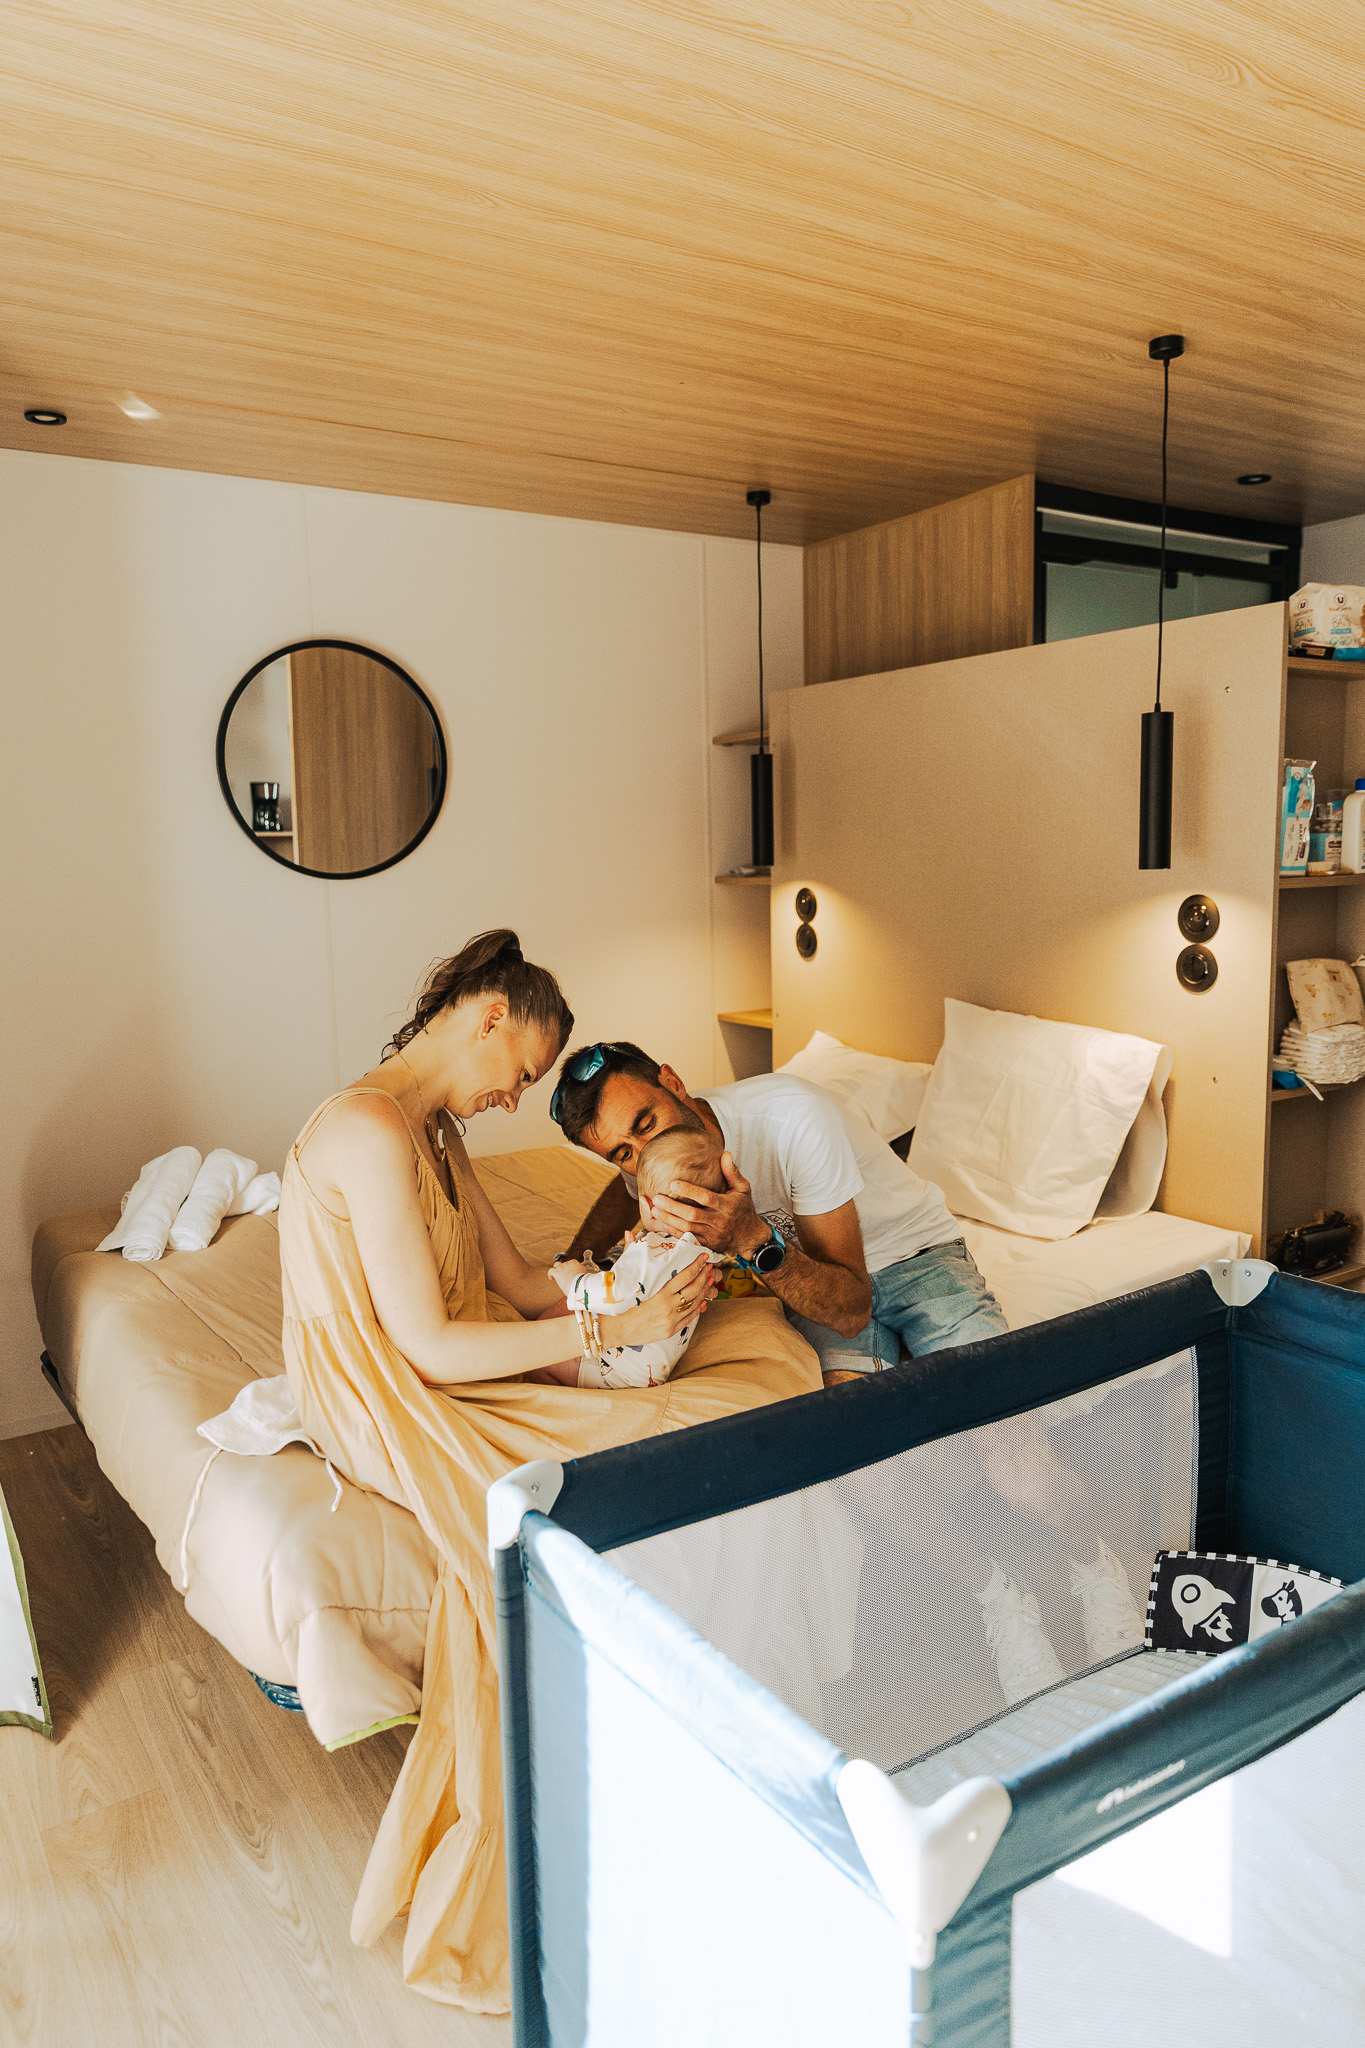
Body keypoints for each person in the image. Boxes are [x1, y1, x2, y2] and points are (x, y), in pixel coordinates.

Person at [278, 936, 822, 2010]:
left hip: (445, 1352)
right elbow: (426, 1348)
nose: (514, 1096)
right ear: (487, 1015)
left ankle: (713, 1737)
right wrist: (611, 1325)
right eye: (521, 1071)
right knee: (620, 1474)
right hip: (384, 1386)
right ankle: (632, 1774)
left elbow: (521, 1284)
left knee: (742, 1371)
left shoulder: (435, 1132)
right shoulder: (367, 1128)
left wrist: (633, 1279)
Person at [552, 1042, 1145, 1702]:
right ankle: (999, 1595)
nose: (643, 1154)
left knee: (1017, 1460)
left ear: (672, 1081)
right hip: (807, 1279)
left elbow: (852, 1304)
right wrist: (575, 1267)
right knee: (869, 1479)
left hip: (911, 1260)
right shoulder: (654, 1173)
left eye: (646, 1123)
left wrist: (748, 1238)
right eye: (622, 1153)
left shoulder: (791, 1117)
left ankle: (1095, 1567)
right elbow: (618, 1216)